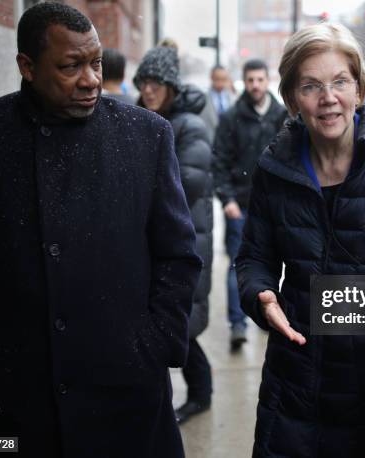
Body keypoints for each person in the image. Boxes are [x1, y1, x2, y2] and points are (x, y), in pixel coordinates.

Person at [0, 3, 201, 457]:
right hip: (3, 414)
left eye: (96, 63)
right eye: (70, 66)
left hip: (127, 402)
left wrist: (151, 345)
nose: (90, 79)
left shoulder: (146, 136)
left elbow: (178, 254)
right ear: (27, 66)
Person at [236, 22, 365, 457]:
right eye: (311, 86)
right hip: (292, 386)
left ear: (359, 90)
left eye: (340, 82)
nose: (328, 98)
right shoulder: (274, 170)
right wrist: (261, 296)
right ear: (291, 99)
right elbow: (253, 256)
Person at [134, 46, 214, 425]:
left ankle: (201, 393)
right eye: (143, 82)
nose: (148, 89)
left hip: (188, 237)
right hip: (158, 239)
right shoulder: (147, 119)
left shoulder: (189, 125)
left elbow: (187, 184)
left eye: (156, 83)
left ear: (171, 86)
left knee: (182, 322)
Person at [213, 58, 287, 350]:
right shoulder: (232, 117)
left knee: (278, 268)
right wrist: (227, 199)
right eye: (251, 80)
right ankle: (238, 325)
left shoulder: (282, 116)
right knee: (238, 267)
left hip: (277, 208)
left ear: (267, 81)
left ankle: (272, 315)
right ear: (245, 81)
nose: (256, 85)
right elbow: (219, 161)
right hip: (241, 207)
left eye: (260, 79)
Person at [200, 65, 237, 139]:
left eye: (223, 79)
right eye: (217, 79)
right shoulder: (203, 99)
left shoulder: (233, 98)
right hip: (209, 142)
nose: (220, 83)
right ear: (211, 78)